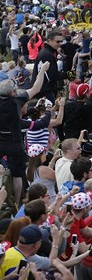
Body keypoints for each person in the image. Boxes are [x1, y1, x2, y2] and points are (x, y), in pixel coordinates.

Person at [0, 61, 51, 204]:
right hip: (15, 143)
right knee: (17, 175)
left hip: (1, 141)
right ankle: (16, 202)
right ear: (13, 92)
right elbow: (36, 87)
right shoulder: (17, 100)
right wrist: (42, 70)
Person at [30, 30, 64, 102]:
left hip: (42, 88)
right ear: (49, 41)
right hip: (45, 91)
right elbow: (53, 76)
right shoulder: (47, 54)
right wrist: (69, 74)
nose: (60, 44)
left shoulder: (46, 51)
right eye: (57, 41)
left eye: (61, 41)